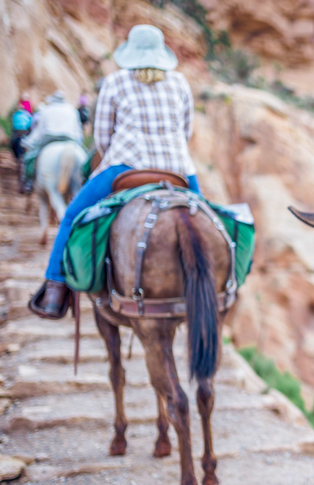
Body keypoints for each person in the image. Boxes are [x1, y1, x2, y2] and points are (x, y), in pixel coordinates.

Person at [30, 24, 202, 319]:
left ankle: (55, 289)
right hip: (177, 169)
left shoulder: (114, 81)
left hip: (126, 165)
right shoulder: (180, 82)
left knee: (72, 215)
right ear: (162, 53)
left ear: (130, 51)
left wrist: (120, 153)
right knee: (207, 220)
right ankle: (219, 287)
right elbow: (186, 131)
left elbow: (102, 136)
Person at [19, 91, 84, 194]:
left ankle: (28, 182)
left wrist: (28, 142)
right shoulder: (72, 110)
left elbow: (39, 131)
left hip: (50, 138)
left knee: (30, 158)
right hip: (70, 139)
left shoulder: (47, 110)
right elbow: (78, 131)